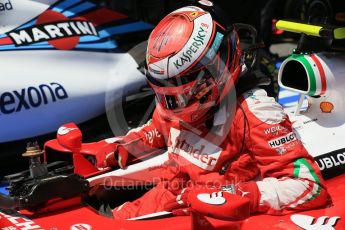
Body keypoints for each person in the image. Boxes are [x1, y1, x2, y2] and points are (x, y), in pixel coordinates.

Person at [96, 3, 330, 220]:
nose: (174, 105)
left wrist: (236, 193)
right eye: (166, 95)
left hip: (208, 212)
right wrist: (124, 147)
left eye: (184, 93)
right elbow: (158, 129)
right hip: (169, 195)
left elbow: (309, 187)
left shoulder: (255, 113)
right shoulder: (175, 104)